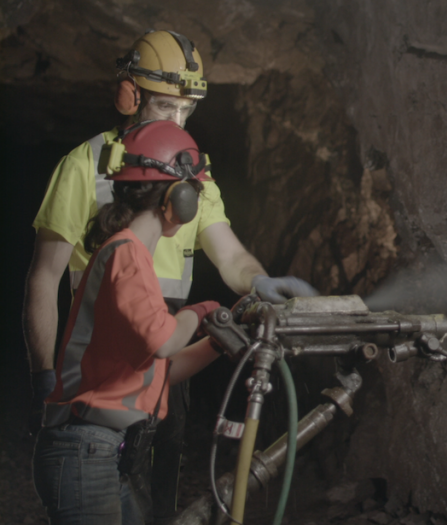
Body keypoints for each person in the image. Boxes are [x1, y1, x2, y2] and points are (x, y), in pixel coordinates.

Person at [22, 29, 317, 523]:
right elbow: (43, 279)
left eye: (186, 110)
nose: (178, 121)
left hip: (166, 348)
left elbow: (230, 257)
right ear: (129, 95)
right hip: (107, 349)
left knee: (154, 488)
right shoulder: (85, 167)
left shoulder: (190, 176)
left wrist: (259, 285)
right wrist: (44, 379)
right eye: (165, 107)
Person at [33, 121, 226, 525]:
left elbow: (160, 370)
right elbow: (164, 343)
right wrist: (204, 311)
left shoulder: (131, 256)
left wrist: (220, 341)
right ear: (179, 198)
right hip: (85, 452)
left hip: (101, 452)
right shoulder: (126, 254)